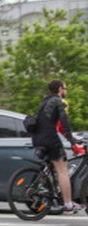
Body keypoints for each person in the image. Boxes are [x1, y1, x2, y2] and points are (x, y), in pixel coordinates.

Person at [30, 78, 85, 214]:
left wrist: (70, 138)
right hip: (50, 139)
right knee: (63, 171)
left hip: (38, 139)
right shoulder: (59, 102)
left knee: (54, 167)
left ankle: (51, 190)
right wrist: (72, 141)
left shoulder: (45, 101)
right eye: (65, 88)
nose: (65, 91)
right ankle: (68, 204)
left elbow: (58, 127)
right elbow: (64, 123)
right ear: (60, 89)